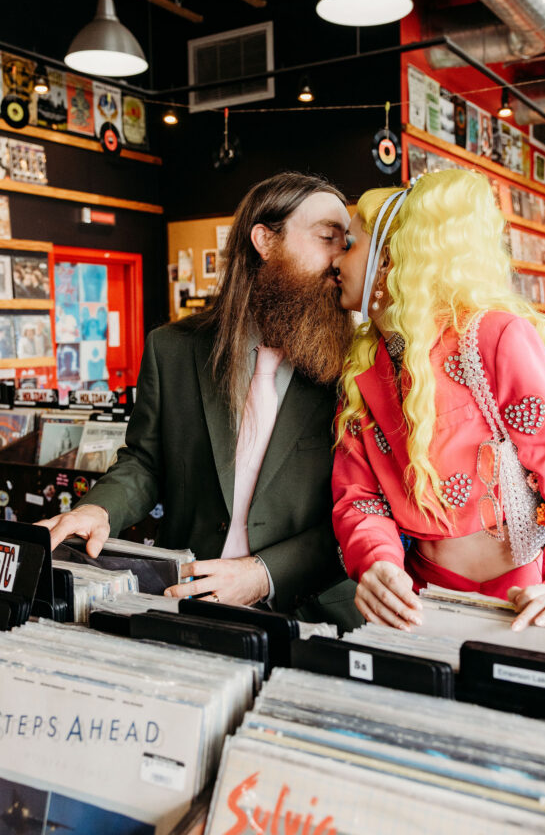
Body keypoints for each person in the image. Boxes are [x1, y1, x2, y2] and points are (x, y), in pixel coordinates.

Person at [41, 172, 360, 629]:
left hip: (310, 615)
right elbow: (146, 462)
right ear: (264, 241)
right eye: (328, 238)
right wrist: (98, 509)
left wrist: (263, 575)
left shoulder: (358, 365)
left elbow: (362, 507)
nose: (340, 259)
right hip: (185, 601)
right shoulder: (172, 348)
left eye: (346, 242)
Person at [331, 170, 545, 632]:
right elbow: (360, 499)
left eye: (350, 244)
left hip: (523, 599)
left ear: (389, 259)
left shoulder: (491, 336)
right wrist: (377, 563)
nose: (335, 261)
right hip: (418, 599)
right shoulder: (364, 364)